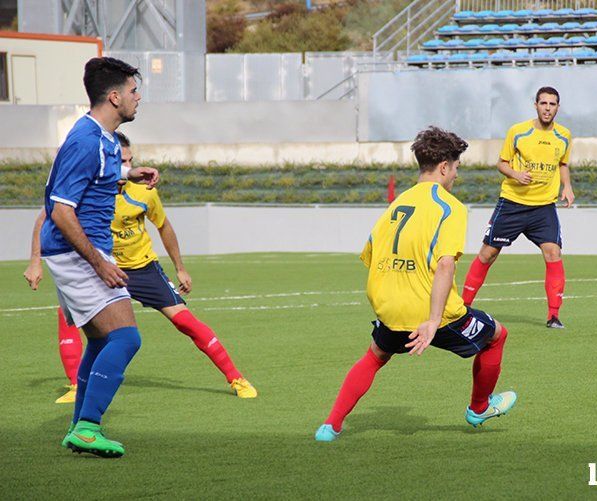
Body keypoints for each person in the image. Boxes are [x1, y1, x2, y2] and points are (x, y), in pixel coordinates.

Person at [314, 126, 516, 442]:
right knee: (496, 336)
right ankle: (479, 408)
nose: (456, 177)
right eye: (457, 168)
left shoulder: (396, 204)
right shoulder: (450, 207)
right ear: (444, 167)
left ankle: (330, 425)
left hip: (388, 305)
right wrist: (433, 321)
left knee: (375, 356)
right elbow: (445, 264)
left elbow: (369, 255)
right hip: (431, 312)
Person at [24, 132, 257, 405]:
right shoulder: (91, 187)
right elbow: (47, 217)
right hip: (103, 268)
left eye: (130, 159)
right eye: (122, 160)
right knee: (68, 319)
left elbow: (164, 226)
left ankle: (235, 377)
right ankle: (77, 385)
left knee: (184, 320)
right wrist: (35, 261)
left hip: (142, 268)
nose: (127, 165)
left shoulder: (145, 191)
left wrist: (180, 268)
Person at [37, 57, 159, 458]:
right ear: (113, 96)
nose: (138, 98)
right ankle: (88, 428)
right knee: (126, 338)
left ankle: (79, 425)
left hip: (81, 251)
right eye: (133, 91)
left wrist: (128, 174)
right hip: (76, 253)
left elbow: (94, 176)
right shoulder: (86, 140)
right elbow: (60, 210)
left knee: (102, 339)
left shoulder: (103, 139)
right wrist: (98, 262)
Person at [461, 86, 574, 329]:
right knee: (488, 254)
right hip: (512, 203)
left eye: (552, 104)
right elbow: (501, 164)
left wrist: (567, 186)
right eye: (543, 103)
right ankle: (462, 307)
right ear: (535, 105)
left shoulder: (564, 135)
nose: (547, 108)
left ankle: (553, 316)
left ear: (557, 108)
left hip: (543, 207)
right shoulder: (518, 132)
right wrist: (515, 174)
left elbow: (563, 163)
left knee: (553, 253)